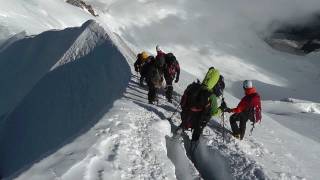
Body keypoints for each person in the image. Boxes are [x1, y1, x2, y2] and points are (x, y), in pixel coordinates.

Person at [179, 67, 225, 141]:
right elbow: (214, 112)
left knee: (185, 123)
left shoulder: (195, 87)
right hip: (199, 122)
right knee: (197, 132)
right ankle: (194, 144)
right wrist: (221, 109)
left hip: (186, 115)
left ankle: (179, 132)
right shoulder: (212, 96)